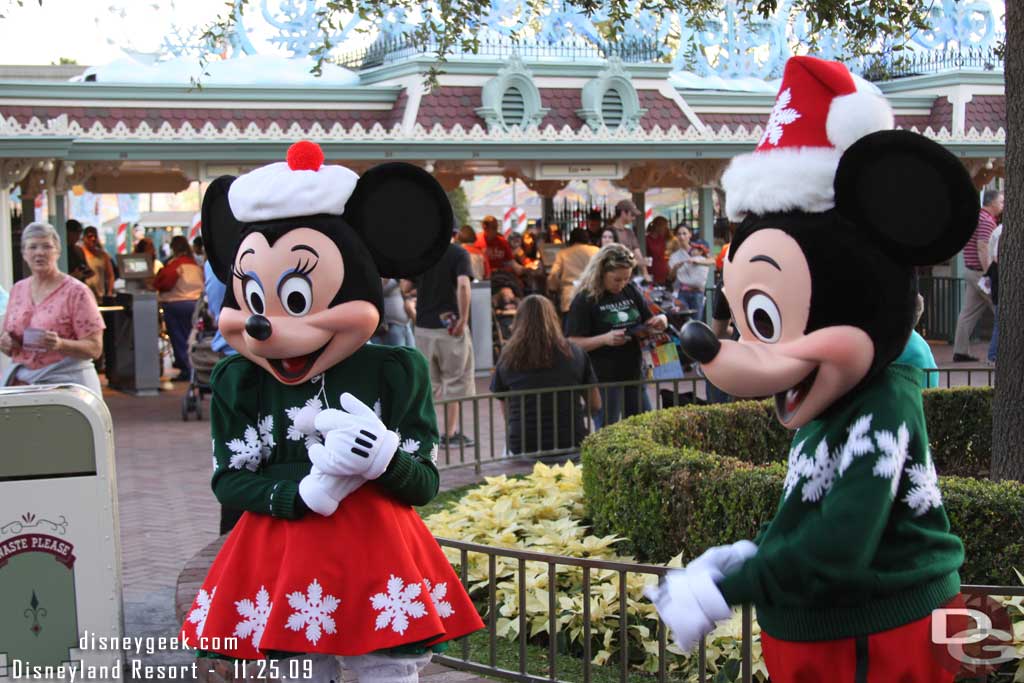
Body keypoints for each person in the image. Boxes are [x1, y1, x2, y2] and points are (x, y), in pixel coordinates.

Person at [655, 55, 975, 683]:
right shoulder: (831, 400)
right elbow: (814, 505)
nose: (754, 354)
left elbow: (839, 549)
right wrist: (755, 551)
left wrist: (736, 584)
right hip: (833, 639)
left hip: (883, 643)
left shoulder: (884, 404)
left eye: (770, 324)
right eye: (753, 323)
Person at [179, 144, 482, 679]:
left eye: (296, 299)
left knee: (386, 673)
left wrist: (386, 459)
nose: (264, 326)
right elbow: (229, 480)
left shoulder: (394, 370)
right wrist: (298, 494)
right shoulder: (240, 380)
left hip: (377, 560)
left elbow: (423, 485)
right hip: (282, 559)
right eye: (252, 299)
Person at [566, 243, 667, 428]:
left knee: (644, 427)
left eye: (626, 278)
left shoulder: (631, 289)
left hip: (634, 372)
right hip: (603, 377)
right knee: (608, 428)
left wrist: (659, 321)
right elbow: (572, 342)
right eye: (616, 279)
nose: (621, 284)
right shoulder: (585, 298)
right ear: (601, 273)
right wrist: (605, 339)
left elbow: (649, 318)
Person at [0, 222, 105, 396]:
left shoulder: (77, 292)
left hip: (68, 390)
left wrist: (60, 344)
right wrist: (6, 343)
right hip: (24, 386)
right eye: (32, 247)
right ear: (24, 253)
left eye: (46, 246)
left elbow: (95, 348)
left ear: (57, 251)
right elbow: (9, 342)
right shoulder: (18, 290)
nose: (39, 252)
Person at [491, 295, 601, 455]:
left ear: (519, 320)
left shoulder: (508, 356)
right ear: (553, 318)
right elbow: (595, 404)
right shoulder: (575, 352)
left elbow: (507, 412)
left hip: (523, 445)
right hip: (571, 440)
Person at [411, 241, 476, 448]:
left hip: (423, 327)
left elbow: (405, 286)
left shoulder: (421, 252)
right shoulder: (458, 254)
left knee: (429, 384)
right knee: (454, 382)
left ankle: (430, 432)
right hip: (450, 328)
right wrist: (463, 319)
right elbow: (464, 285)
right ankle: (450, 434)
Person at [952, 189, 1001, 362]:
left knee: (967, 313)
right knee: (1002, 309)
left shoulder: (976, 218)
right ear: (992, 203)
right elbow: (982, 247)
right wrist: (990, 274)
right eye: (1001, 202)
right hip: (981, 273)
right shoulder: (987, 221)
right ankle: (998, 353)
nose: (1002, 206)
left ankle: (960, 351)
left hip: (970, 269)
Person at [154, 235, 204, 381]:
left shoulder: (175, 265)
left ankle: (186, 368)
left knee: (179, 338)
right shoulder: (195, 265)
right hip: (195, 304)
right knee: (193, 337)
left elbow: (163, 283)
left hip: (176, 304)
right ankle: (195, 367)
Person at [546, 228, 599, 316]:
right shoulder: (596, 250)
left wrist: (553, 288)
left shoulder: (563, 253)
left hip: (570, 297)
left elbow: (554, 274)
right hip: (593, 295)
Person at [668, 224, 716, 317]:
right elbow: (670, 277)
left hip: (698, 292)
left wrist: (697, 261)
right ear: (676, 236)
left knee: (696, 321)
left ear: (690, 234)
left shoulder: (699, 250)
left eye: (684, 233)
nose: (682, 236)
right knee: (683, 320)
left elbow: (712, 261)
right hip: (682, 292)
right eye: (679, 234)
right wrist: (675, 268)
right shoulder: (674, 256)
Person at [608, 199, 649, 280]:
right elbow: (610, 258)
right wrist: (637, 262)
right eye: (632, 214)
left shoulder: (629, 232)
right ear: (623, 213)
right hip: (613, 278)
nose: (634, 218)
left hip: (629, 277)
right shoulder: (609, 232)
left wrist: (645, 273)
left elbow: (638, 254)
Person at [371, 278, 415, 348]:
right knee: (399, 356)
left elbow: (406, 290)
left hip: (406, 324)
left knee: (412, 354)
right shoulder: (379, 275)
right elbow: (378, 290)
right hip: (392, 326)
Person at [81, 225, 115, 301]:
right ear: (84, 238)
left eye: (95, 236)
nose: (93, 239)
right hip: (84, 296)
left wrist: (109, 292)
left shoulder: (103, 255)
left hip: (100, 296)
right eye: (90, 236)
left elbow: (110, 275)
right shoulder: (79, 253)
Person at [985, 222, 1002, 365]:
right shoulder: (1002, 232)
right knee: (1000, 321)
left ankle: (993, 354)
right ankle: (993, 355)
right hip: (999, 280)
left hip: (996, 279)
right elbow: (997, 257)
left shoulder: (998, 230)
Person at [645, 216, 672, 285]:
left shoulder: (662, 239)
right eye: (664, 226)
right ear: (657, 226)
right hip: (652, 271)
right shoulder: (647, 239)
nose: (666, 229)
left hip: (663, 271)